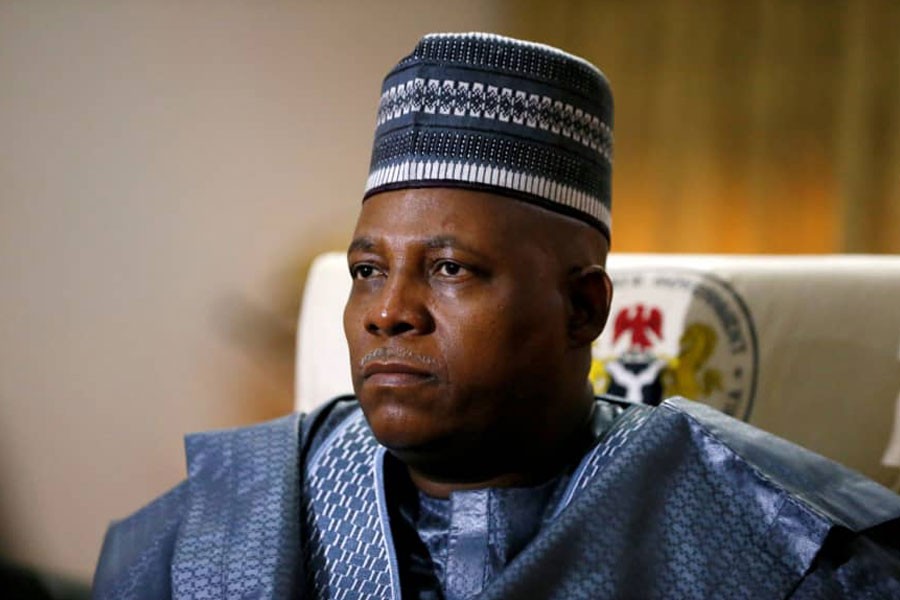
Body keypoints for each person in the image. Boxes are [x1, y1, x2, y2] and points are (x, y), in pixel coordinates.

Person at [93, 32, 900, 599]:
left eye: (449, 269)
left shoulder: (777, 542)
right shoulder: (213, 528)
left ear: (581, 308)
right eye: (368, 271)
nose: (389, 313)